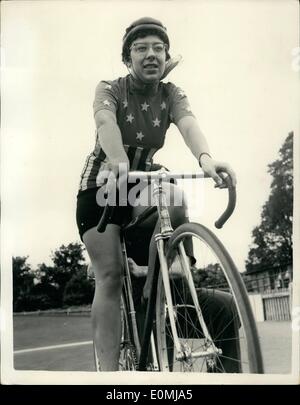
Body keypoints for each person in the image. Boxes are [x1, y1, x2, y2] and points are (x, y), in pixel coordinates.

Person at [76, 17, 237, 371]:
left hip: (139, 182)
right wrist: (117, 158)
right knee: (110, 275)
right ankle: (109, 373)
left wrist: (206, 159)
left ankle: (159, 279)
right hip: (102, 186)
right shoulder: (110, 88)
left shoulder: (171, 93)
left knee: (175, 198)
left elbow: (189, 123)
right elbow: (106, 123)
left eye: (158, 48)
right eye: (141, 48)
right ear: (127, 58)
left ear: (166, 56)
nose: (151, 54)